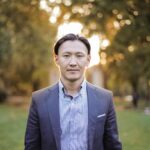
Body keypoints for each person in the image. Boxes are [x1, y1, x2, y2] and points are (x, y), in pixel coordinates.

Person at [25, 33, 122, 150]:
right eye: (66, 56)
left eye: (79, 56)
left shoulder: (105, 98)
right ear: (56, 59)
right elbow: (31, 146)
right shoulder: (39, 99)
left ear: (88, 60)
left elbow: (113, 146)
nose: (73, 63)